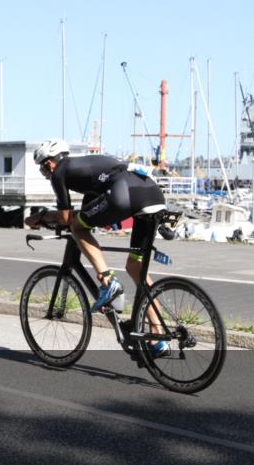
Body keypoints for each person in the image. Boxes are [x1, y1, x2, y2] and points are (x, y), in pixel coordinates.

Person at [25, 138, 171, 357]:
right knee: (135, 268)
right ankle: (158, 337)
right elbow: (88, 213)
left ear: (49, 163)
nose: (44, 173)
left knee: (77, 227)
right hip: (152, 193)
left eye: (42, 168)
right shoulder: (87, 171)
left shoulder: (60, 173)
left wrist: (43, 216)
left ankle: (108, 280)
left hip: (125, 192)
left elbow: (67, 219)